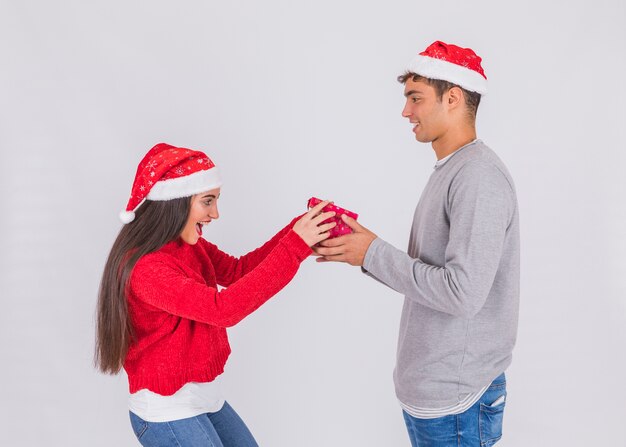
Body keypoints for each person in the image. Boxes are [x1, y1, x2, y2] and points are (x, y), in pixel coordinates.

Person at [314, 41, 520, 446]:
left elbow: (462, 294)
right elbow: (431, 274)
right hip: (440, 397)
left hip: (458, 403)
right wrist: (365, 251)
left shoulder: (478, 177)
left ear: (453, 98)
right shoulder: (453, 170)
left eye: (415, 98)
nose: (406, 111)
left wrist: (372, 253)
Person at [95, 142, 336, 447]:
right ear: (176, 202)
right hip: (167, 413)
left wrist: (297, 231)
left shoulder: (187, 245)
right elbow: (223, 309)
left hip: (204, 399)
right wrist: (296, 245)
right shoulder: (147, 269)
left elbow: (238, 271)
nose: (216, 213)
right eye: (207, 201)